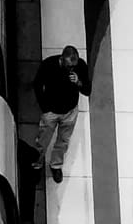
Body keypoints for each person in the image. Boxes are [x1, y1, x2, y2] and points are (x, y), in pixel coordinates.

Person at [31, 44, 92, 184]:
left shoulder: (80, 66)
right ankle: (37, 164)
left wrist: (79, 82)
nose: (71, 69)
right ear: (62, 59)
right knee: (42, 140)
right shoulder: (49, 64)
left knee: (63, 141)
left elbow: (87, 90)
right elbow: (37, 84)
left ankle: (56, 165)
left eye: (73, 66)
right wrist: (44, 108)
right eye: (69, 66)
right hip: (51, 112)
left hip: (70, 112)